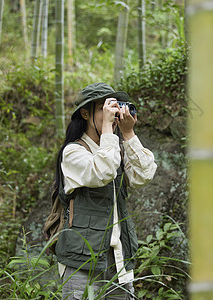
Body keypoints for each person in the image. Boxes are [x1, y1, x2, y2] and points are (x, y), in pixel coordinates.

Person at [52, 82, 157, 300]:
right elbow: (102, 170)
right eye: (104, 108)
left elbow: (144, 175)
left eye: (115, 107)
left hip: (118, 257)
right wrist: (109, 131)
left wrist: (128, 132)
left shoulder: (115, 149)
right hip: (81, 262)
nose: (112, 113)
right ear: (85, 113)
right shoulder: (73, 152)